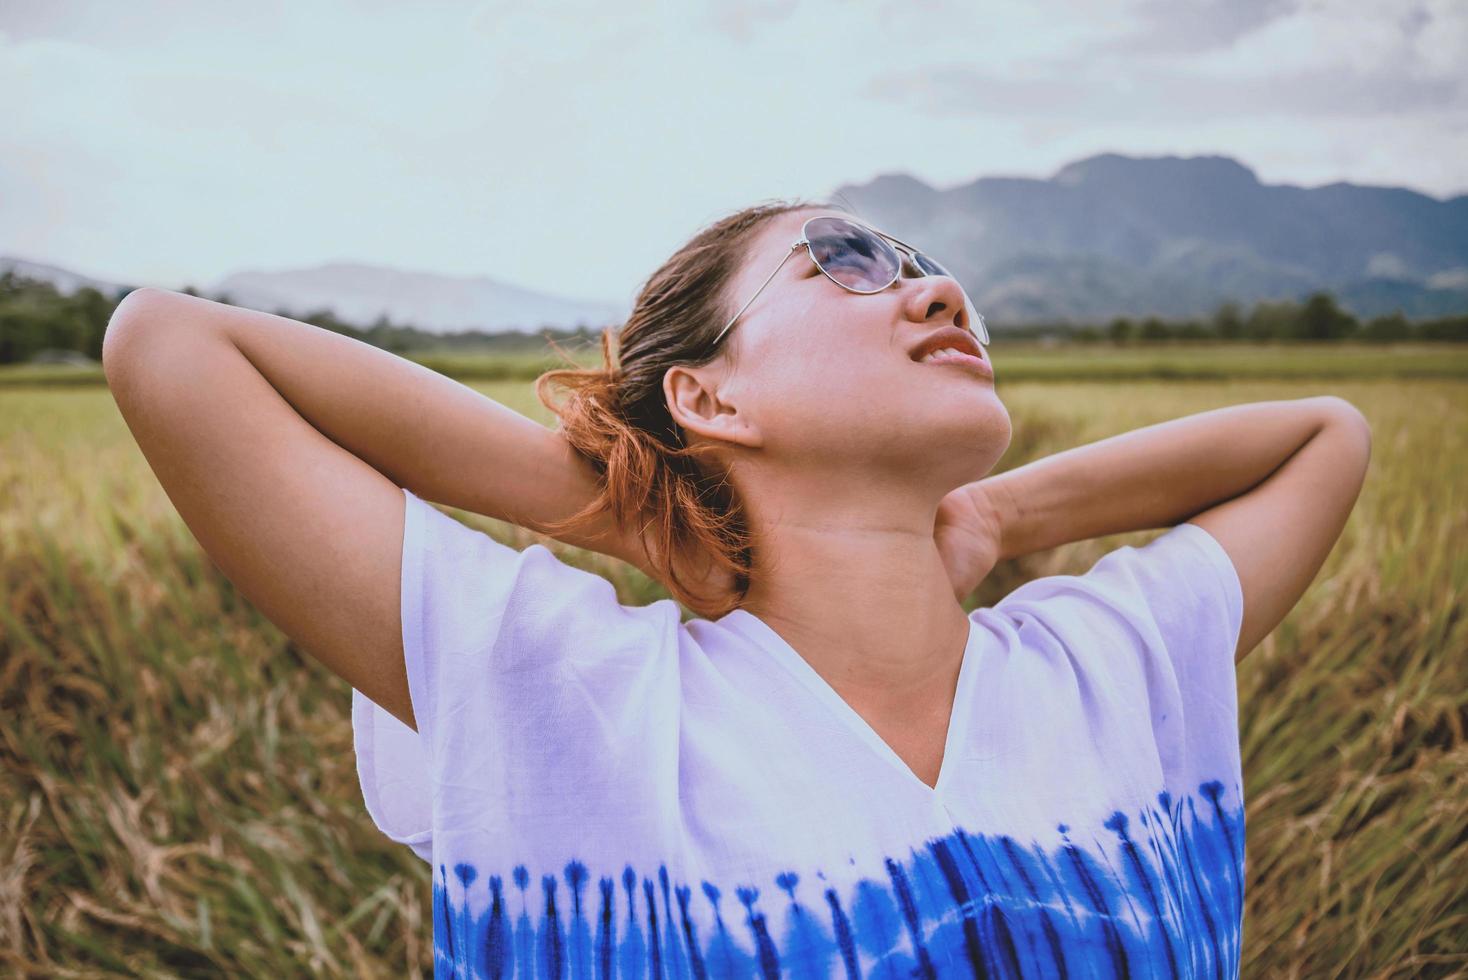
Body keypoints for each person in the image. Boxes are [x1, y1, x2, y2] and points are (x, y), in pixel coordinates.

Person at [101, 198, 1372, 978]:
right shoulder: (575, 698)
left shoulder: (1099, 663)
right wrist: (627, 516)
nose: (935, 289)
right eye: (845, 261)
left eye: (926, 262)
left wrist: (996, 512)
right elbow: (172, 342)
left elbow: (1325, 434)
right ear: (709, 397)